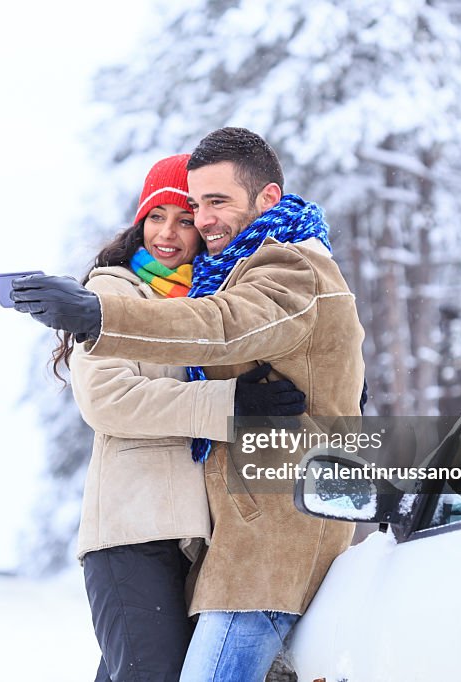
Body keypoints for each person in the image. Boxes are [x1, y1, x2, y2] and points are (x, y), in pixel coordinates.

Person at [13, 128, 366, 681]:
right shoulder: (123, 287)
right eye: (170, 212)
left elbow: (224, 328)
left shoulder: (262, 275)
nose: (190, 225)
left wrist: (333, 386)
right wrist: (99, 314)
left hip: (226, 540)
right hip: (139, 528)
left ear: (266, 199)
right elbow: (110, 398)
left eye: (207, 206)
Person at [60, 153, 307, 682]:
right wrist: (230, 405)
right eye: (155, 217)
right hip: (131, 534)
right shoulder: (115, 294)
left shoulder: (210, 304)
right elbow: (108, 399)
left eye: (184, 219)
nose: (167, 234)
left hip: (196, 541)